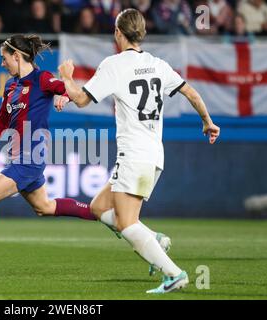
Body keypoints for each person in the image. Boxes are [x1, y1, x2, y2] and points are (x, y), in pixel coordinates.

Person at [58, 8, 220, 293]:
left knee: (125, 223)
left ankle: (173, 274)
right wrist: (208, 122)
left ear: (118, 33)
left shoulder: (115, 65)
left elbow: (82, 100)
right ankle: (154, 239)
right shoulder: (158, 64)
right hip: (154, 156)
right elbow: (191, 92)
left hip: (133, 155)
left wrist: (67, 78)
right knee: (98, 207)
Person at [0, 34, 101, 275]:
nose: (1, 63)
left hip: (31, 158)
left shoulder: (42, 78)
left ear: (17, 56)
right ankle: (109, 217)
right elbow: (1, 122)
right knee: (44, 207)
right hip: (19, 157)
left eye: (4, 58)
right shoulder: (11, 86)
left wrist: (63, 96)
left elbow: (67, 89)